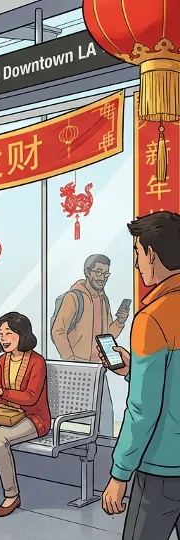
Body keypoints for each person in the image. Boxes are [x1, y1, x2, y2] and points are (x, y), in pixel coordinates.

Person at [99, 211, 180, 540]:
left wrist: (119, 475)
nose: (137, 265)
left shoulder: (153, 317)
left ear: (151, 253)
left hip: (161, 469)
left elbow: (143, 410)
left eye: (137, 255)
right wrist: (136, 371)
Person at [0, 312, 49, 518]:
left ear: (22, 335)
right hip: (5, 414)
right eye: (0, 334)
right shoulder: (3, 360)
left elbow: (31, 398)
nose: (3, 338)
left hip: (33, 417)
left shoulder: (36, 362)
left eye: (9, 333)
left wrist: (1, 392)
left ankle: (12, 495)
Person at [51, 253, 130, 436]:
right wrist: (72, 360)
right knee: (74, 419)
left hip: (98, 368)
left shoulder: (104, 299)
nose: (102, 277)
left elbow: (107, 334)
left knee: (105, 415)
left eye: (106, 274)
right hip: (79, 369)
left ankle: (102, 455)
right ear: (88, 272)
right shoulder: (74, 297)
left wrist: (119, 321)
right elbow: (58, 330)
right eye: (98, 272)